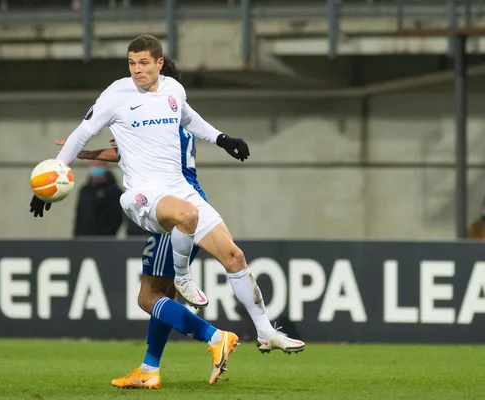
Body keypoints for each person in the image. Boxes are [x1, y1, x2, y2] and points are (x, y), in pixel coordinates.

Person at [31, 34, 304, 382]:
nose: (136, 70)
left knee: (233, 257)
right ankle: (186, 283)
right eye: (131, 63)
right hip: (142, 196)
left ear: (159, 64)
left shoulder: (174, 91)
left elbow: (189, 119)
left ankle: (263, 330)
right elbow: (81, 133)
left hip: (181, 189)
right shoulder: (116, 94)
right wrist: (56, 171)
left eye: (143, 63)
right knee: (177, 239)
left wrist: (223, 139)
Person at [73, 160, 123, 237]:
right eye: (93, 164)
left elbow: (117, 217)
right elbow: (79, 216)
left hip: (105, 239)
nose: (96, 167)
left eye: (98, 165)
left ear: (105, 165)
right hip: (83, 238)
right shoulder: (85, 190)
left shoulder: (114, 191)